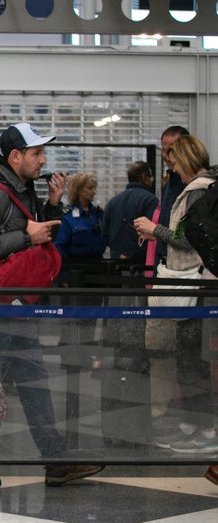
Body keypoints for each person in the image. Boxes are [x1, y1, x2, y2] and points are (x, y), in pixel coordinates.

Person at [0, 122, 103, 489]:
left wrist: (50, 206)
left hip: (12, 306)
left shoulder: (23, 190)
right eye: (36, 153)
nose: (43, 160)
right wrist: (24, 234)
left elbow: (35, 240)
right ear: (15, 156)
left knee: (35, 384)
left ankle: (55, 461)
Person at [134, 135, 218, 459]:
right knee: (191, 358)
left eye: (173, 159)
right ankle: (195, 423)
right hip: (200, 283)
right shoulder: (209, 187)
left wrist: (154, 229)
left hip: (193, 283)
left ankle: (205, 428)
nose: (170, 166)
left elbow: (185, 238)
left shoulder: (197, 191)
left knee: (190, 359)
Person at [101, 161, 158, 264]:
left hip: (115, 262)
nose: (151, 181)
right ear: (144, 177)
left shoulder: (113, 201)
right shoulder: (150, 201)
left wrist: (119, 252)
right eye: (151, 178)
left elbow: (105, 233)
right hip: (141, 264)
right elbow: (153, 233)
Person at [154, 126, 191, 268]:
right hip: (165, 262)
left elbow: (183, 237)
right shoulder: (168, 183)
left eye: (171, 150)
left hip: (184, 266)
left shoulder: (194, 186)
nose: (166, 155)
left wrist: (156, 230)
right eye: (164, 150)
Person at [54, 173, 105, 260]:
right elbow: (58, 246)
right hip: (76, 267)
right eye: (90, 188)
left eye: (94, 188)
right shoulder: (67, 217)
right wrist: (70, 266)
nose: (94, 192)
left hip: (98, 264)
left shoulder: (98, 213)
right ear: (78, 190)